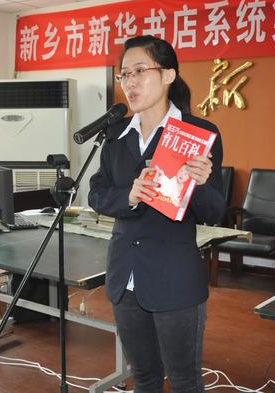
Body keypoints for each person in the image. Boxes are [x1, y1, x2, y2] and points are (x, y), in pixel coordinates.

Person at [88, 35, 225, 393]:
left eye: (139, 71)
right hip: (125, 276)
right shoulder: (116, 134)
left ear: (168, 75)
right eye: (124, 74)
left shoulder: (198, 133)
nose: (130, 82)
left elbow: (215, 211)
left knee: (184, 381)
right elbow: (96, 193)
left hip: (174, 278)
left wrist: (199, 183)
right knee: (144, 378)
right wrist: (129, 196)